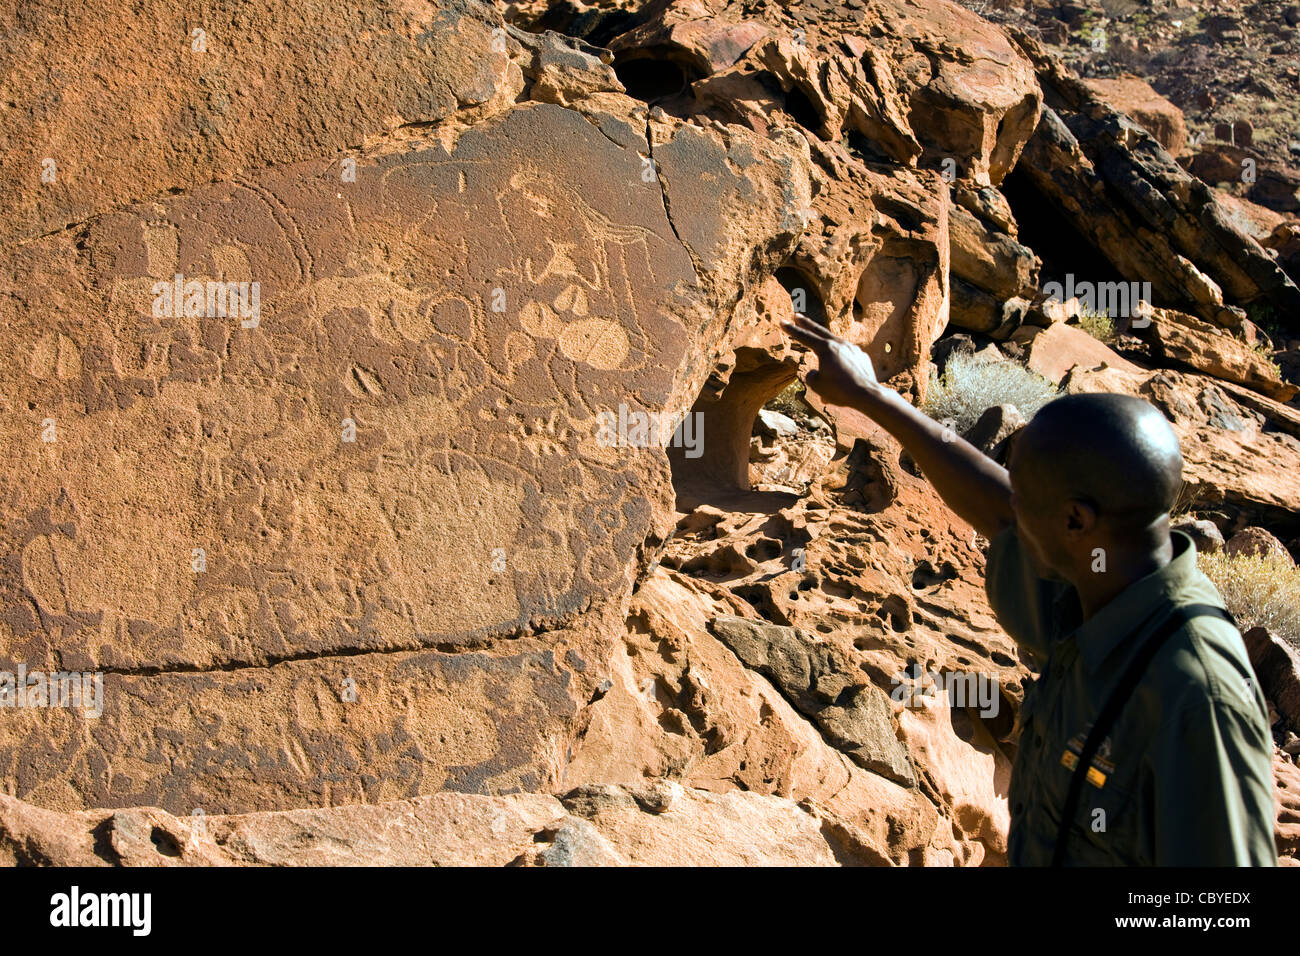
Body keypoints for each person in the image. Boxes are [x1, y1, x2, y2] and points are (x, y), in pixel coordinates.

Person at [782, 313, 1277, 866]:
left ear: (1075, 520)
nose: (1009, 508)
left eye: (1025, 497)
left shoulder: (1194, 692)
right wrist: (871, 395)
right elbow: (994, 506)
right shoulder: (1097, 577)